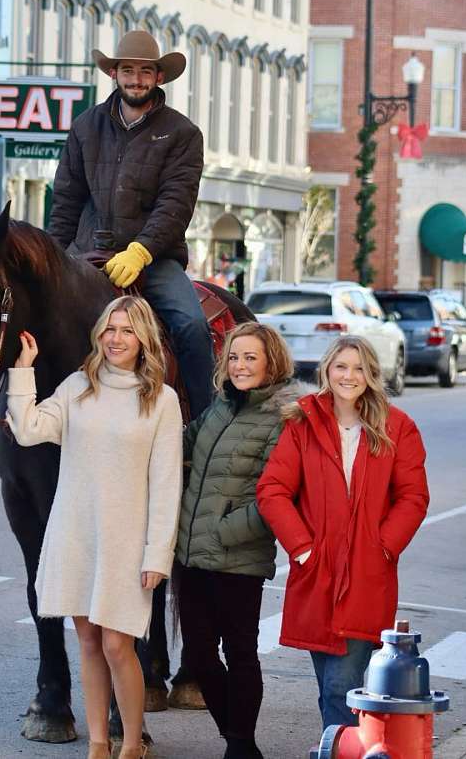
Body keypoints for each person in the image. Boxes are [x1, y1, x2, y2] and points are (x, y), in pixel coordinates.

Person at [6, 296, 183, 759]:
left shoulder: (161, 400)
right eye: (109, 329)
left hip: (127, 539)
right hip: (76, 533)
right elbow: (27, 429)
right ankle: (99, 744)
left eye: (126, 330)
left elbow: (167, 485)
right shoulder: (78, 386)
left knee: (117, 643)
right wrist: (23, 371)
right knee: (87, 640)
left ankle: (130, 741)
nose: (116, 339)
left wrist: (157, 554)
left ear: (143, 339)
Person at [256, 335, 429, 734]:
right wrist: (301, 548)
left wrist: (383, 547)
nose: (348, 376)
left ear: (371, 375)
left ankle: (339, 746)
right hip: (316, 572)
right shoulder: (304, 421)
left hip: (367, 575)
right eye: (341, 367)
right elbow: (273, 489)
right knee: (329, 688)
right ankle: (344, 744)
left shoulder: (397, 426)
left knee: (340, 688)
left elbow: (413, 496)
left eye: (358, 368)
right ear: (326, 371)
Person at [48, 29, 214, 419]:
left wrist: (141, 250)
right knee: (30, 317)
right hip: (84, 256)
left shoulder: (182, 133)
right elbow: (66, 199)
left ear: (158, 77)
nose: (135, 79)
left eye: (145, 71)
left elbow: (175, 205)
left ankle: (204, 426)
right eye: (128, 70)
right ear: (114, 74)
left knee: (191, 327)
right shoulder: (85, 126)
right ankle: (6, 422)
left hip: (153, 259)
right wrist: (53, 256)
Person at [175, 321, 302, 759]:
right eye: (234, 357)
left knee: (241, 653)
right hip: (190, 556)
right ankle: (237, 740)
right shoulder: (219, 408)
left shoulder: (284, 417)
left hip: (236, 559)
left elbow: (277, 494)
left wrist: (224, 531)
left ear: (271, 362)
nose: (240, 365)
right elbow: (178, 448)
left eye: (251, 357)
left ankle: (240, 745)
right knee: (200, 657)